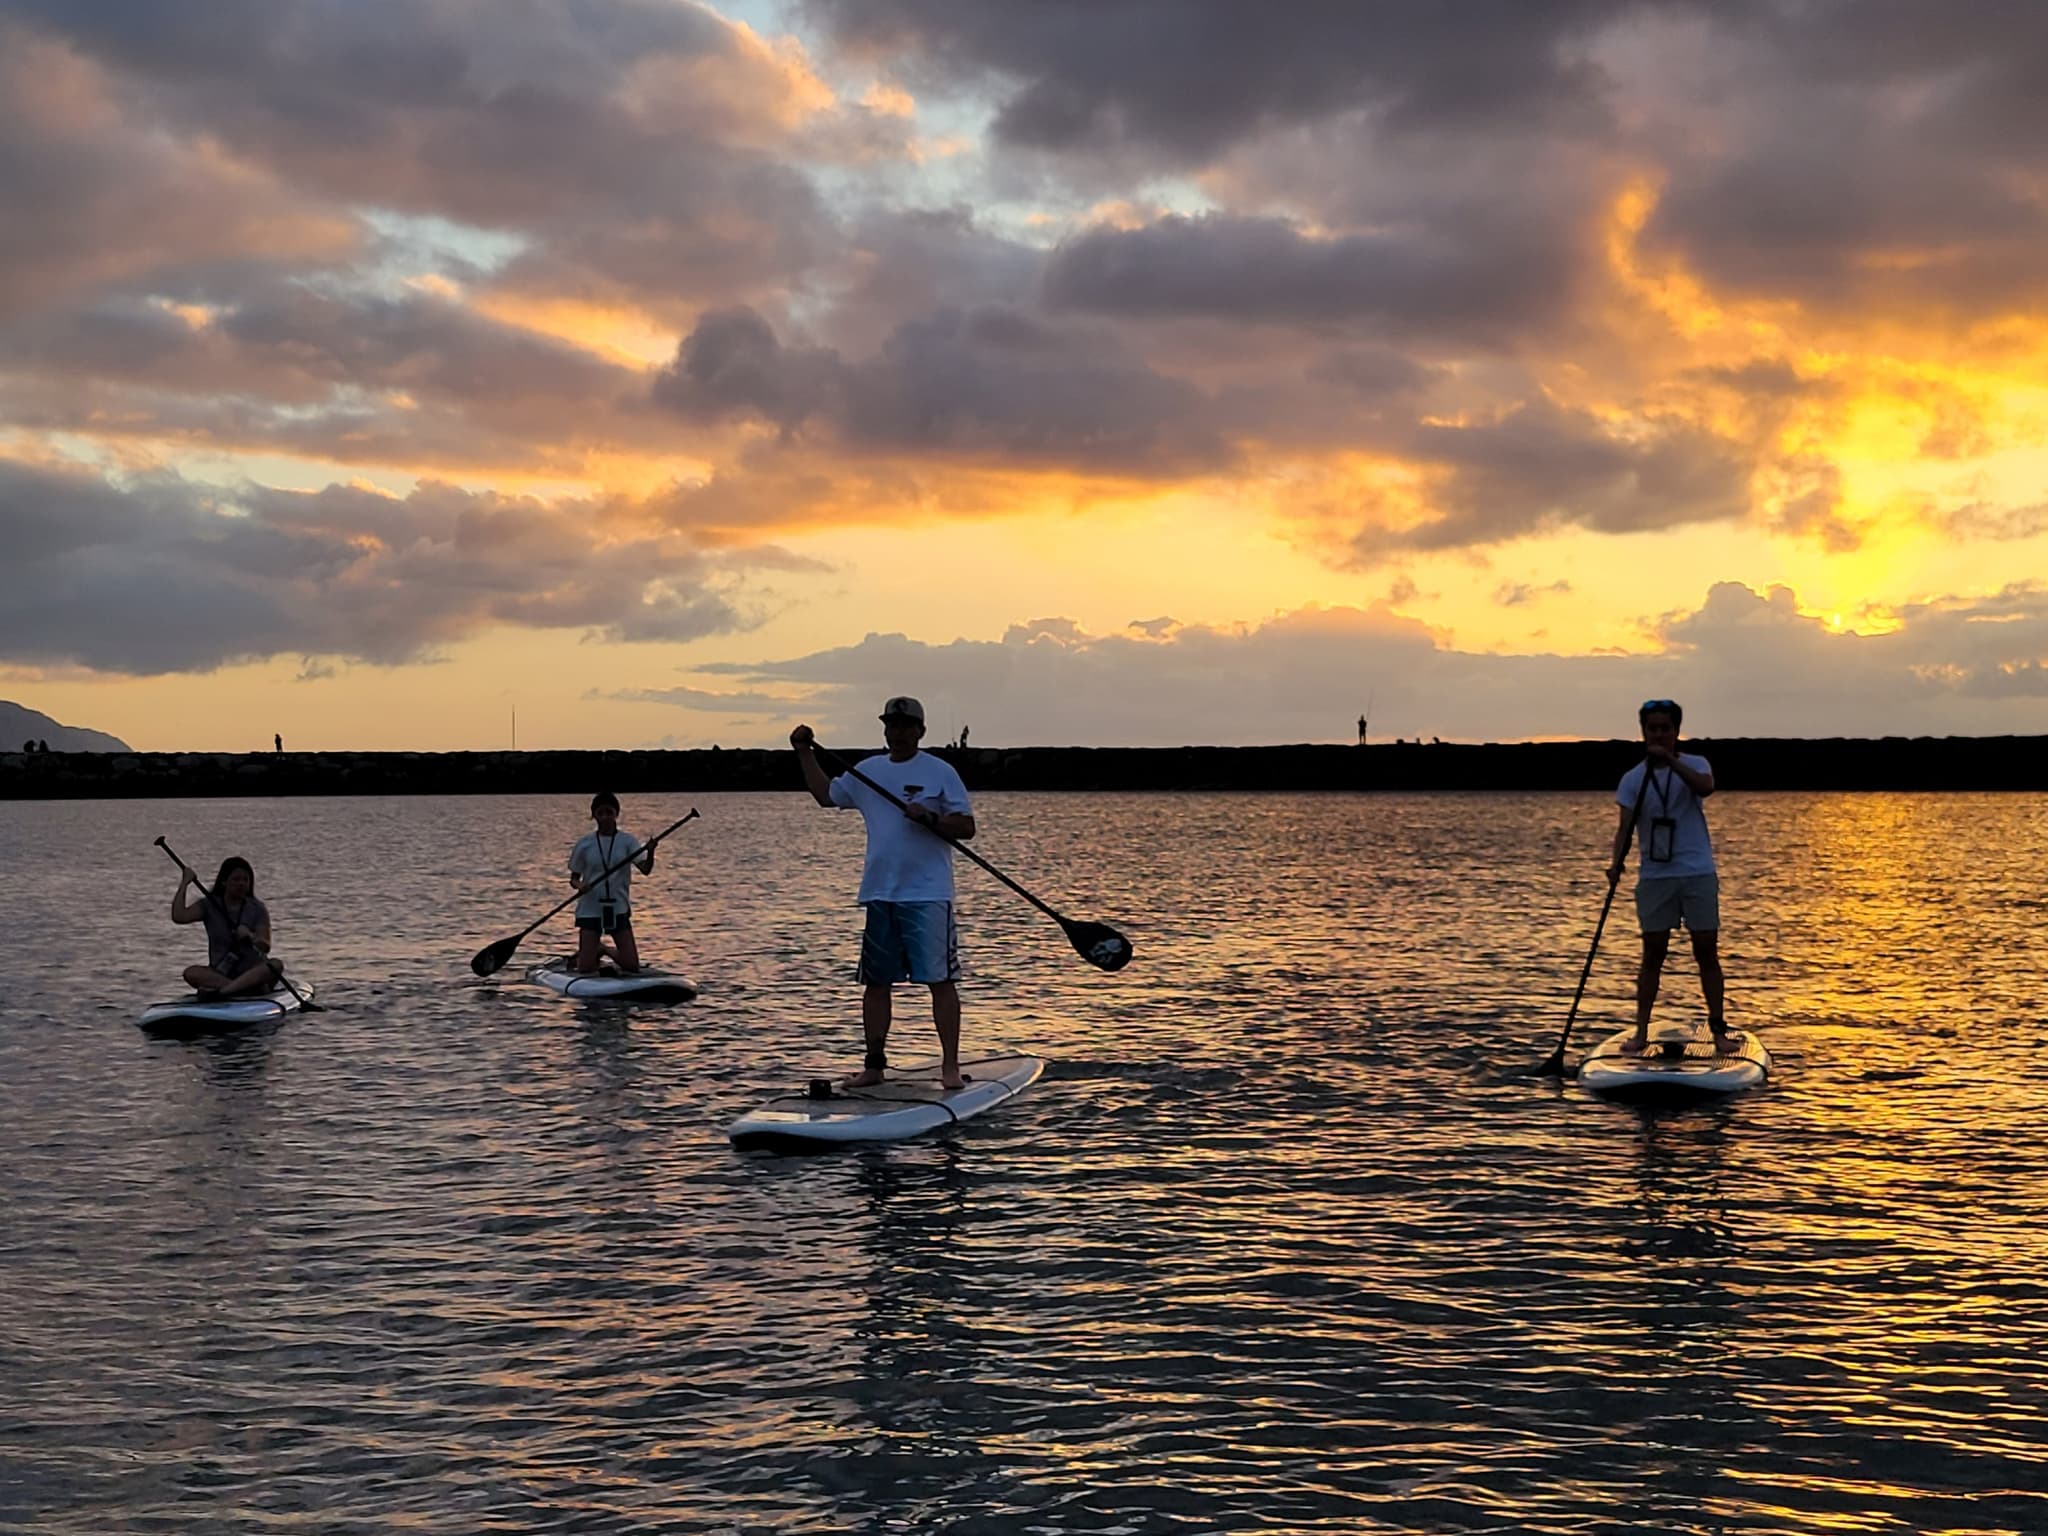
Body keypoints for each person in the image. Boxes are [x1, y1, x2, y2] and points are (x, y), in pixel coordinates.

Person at [790, 696, 976, 1089]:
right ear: (885, 729)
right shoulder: (868, 771)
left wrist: (930, 817)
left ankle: (950, 1068)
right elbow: (826, 796)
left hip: (927, 895)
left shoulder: (940, 772)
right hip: (880, 893)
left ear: (920, 731)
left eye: (907, 726)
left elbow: (965, 827)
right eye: (892, 725)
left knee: (940, 981)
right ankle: (874, 1067)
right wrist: (804, 752)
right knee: (876, 983)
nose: (899, 732)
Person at [1608, 698, 1735, 1056]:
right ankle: (1641, 1033)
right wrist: (1616, 863)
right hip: (1656, 876)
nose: (1659, 734)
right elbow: (1624, 829)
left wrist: (1671, 762)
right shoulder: (1633, 779)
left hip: (1696, 873)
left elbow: (1705, 788)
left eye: (1666, 728)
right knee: (1652, 954)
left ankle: (1719, 1031)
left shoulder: (1694, 764)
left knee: (1706, 950)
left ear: (1677, 731)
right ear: (1643, 731)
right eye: (1653, 728)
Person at [568, 791, 656, 974]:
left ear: (616, 814)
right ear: (594, 816)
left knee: (632, 966)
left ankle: (604, 949)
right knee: (584, 968)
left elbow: (646, 869)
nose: (605, 817)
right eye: (600, 813)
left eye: (609, 812)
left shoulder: (628, 841)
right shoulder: (585, 844)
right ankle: (588, 955)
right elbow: (573, 878)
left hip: (618, 908)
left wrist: (651, 851)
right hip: (591, 908)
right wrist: (580, 886)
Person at [171, 855, 282, 997]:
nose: (241, 884)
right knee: (190, 972)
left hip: (251, 973)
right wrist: (185, 883)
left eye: (245, 880)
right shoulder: (209, 905)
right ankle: (242, 989)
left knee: (275, 965)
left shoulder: (257, 908)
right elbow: (179, 917)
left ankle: (224, 992)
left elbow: (265, 946)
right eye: (236, 880)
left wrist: (250, 935)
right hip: (220, 974)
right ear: (224, 882)